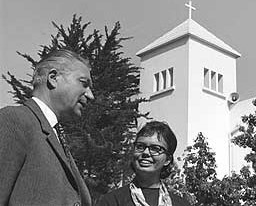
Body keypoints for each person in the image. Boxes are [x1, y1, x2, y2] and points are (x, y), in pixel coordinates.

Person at [0, 48, 94, 206]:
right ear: (53, 78)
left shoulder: (56, 136)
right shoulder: (14, 121)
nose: (90, 95)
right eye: (84, 83)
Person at [97, 121, 191, 206]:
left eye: (155, 148)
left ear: (168, 159)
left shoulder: (180, 203)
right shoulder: (112, 201)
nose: (145, 152)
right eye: (140, 146)